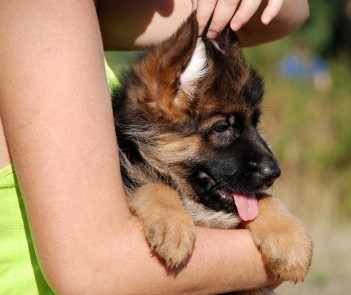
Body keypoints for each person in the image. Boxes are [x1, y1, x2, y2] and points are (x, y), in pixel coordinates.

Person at [0, 0, 309, 294]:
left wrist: (269, 217)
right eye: (222, 128)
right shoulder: (40, 12)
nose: (270, 165)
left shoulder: (87, 13)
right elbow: (93, 268)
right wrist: (262, 260)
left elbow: (282, 16)